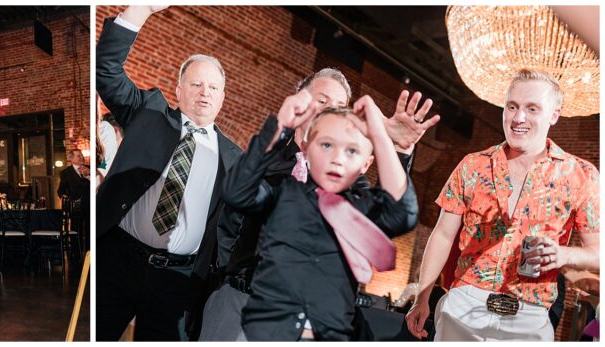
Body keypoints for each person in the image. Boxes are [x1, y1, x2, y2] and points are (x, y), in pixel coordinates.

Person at [199, 67, 439, 341]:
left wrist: (396, 147)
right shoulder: (267, 160)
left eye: (338, 106)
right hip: (242, 304)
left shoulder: (350, 182)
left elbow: (394, 212)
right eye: (322, 100)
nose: (329, 110)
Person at [405, 69, 599, 341]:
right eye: (512, 106)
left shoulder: (580, 174)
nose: (518, 118)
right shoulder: (472, 165)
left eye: (532, 109)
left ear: (554, 115)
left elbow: (598, 252)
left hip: (530, 316)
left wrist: (564, 255)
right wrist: (422, 297)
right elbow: (443, 234)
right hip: (462, 307)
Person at [95, 6, 243, 341]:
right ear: (178, 89)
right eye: (196, 84)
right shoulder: (149, 113)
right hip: (118, 262)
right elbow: (106, 70)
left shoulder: (234, 159)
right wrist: (141, 9)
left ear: (222, 97)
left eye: (213, 87)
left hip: (177, 281)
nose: (205, 92)